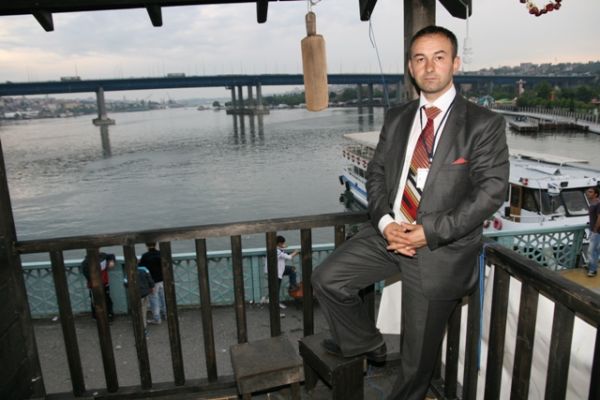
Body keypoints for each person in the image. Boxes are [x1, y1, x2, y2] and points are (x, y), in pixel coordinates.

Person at [311, 25, 509, 400]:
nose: (429, 67)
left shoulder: (483, 123)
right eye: (420, 58)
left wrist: (428, 231)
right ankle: (367, 342)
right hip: (390, 233)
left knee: (416, 364)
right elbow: (376, 174)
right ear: (410, 67)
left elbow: (491, 192)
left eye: (439, 57)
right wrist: (386, 223)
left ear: (455, 63)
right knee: (327, 279)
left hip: (438, 248)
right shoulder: (397, 117)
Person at [264, 235, 299, 309]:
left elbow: (281, 253)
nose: (284, 244)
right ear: (279, 243)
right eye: (282, 243)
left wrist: (283, 247)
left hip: (279, 269)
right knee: (276, 288)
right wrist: (295, 252)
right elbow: (289, 257)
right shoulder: (276, 251)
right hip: (275, 272)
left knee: (292, 269)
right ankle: (274, 303)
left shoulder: (274, 248)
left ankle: (292, 285)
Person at [82, 252, 117, 321]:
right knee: (95, 301)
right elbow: (86, 274)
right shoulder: (86, 262)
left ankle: (109, 314)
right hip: (93, 286)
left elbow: (111, 255)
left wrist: (112, 261)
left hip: (104, 283)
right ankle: (96, 316)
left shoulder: (103, 256)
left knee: (107, 299)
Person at [124, 264, 155, 337]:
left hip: (135, 295)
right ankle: (144, 329)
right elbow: (150, 281)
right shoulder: (144, 269)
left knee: (137, 311)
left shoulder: (128, 272)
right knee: (143, 311)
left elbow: (125, 284)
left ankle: (138, 326)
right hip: (144, 294)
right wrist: (151, 287)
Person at [139, 242, 166, 324]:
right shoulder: (161, 253)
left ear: (146, 245)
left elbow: (142, 268)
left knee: (154, 300)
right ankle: (166, 315)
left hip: (152, 281)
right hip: (163, 280)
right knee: (164, 298)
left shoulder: (145, 256)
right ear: (156, 244)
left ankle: (157, 319)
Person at [585, 186, 600, 277]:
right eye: (588, 191)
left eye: (590, 192)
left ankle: (593, 270)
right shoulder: (593, 203)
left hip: (597, 231)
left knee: (591, 251)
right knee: (595, 251)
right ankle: (591, 266)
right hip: (594, 230)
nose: (588, 193)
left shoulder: (598, 203)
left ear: (596, 194)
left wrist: (595, 229)